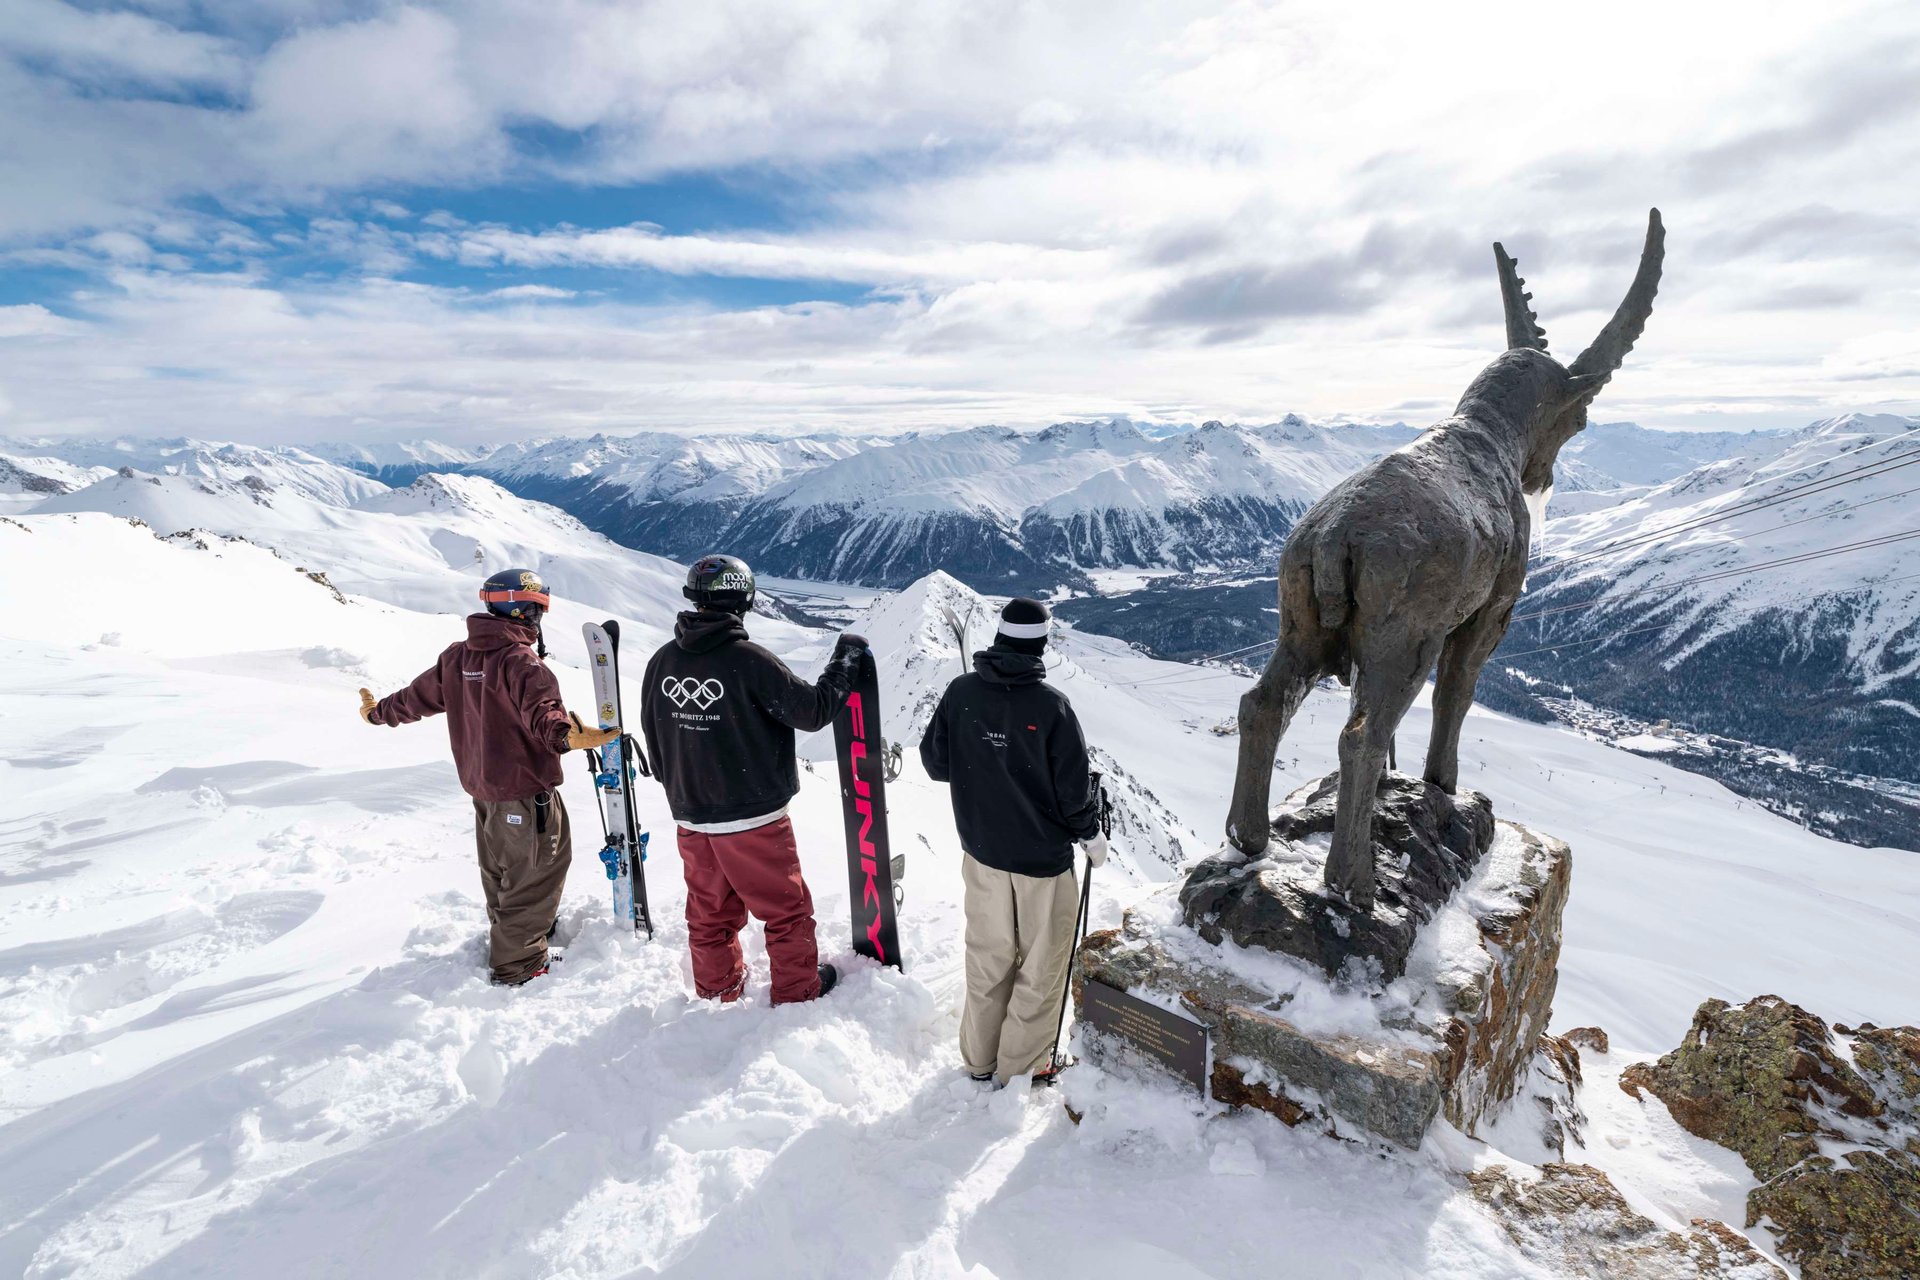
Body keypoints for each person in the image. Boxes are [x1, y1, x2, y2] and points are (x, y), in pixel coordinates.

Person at [358, 568, 618, 986]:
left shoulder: (458, 656)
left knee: (502, 868)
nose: (538, 619)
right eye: (537, 610)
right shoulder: (523, 663)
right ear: (525, 611)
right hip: (522, 789)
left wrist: (378, 713)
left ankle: (521, 935)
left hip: (484, 789)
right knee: (537, 871)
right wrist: (567, 736)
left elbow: (415, 698)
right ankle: (518, 964)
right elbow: (544, 716)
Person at [641, 554, 867, 1006]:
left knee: (709, 913)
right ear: (744, 600)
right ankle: (797, 991)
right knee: (786, 910)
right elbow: (814, 711)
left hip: (692, 815)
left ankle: (717, 990)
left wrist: (680, 794)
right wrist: (846, 661)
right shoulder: (748, 661)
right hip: (751, 815)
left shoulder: (662, 661)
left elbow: (653, 731)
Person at [920, 597, 1106, 1086]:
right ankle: (1023, 1067)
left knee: (988, 958)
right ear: (1042, 643)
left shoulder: (962, 692)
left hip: (981, 852)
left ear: (998, 635)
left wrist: (982, 760)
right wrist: (1091, 835)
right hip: (1041, 860)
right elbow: (1072, 794)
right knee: (1042, 965)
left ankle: (980, 1060)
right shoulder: (1050, 707)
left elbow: (936, 765)